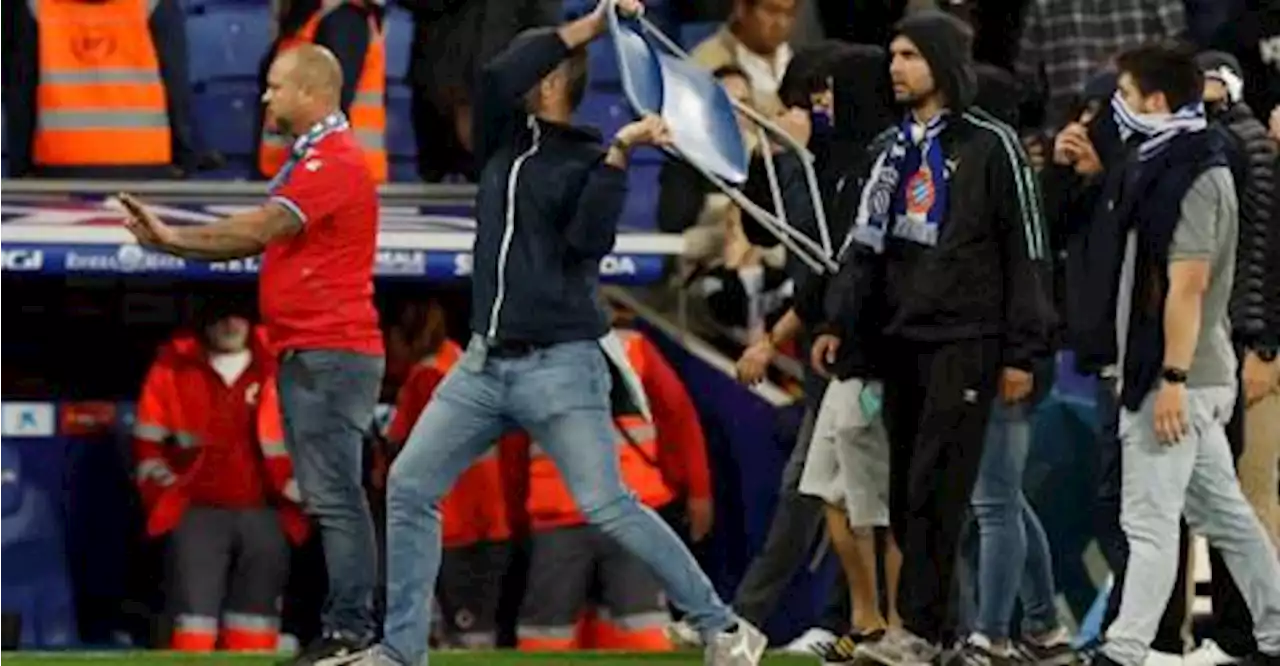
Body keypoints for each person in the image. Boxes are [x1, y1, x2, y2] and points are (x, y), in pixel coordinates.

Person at [349, 1, 766, 665]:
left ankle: (723, 625)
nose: (515, 78)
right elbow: (493, 75)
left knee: (607, 503)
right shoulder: (501, 140)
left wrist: (620, 159)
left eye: (534, 71)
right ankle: (401, 652)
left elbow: (587, 243)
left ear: (548, 86)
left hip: (562, 366)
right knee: (409, 485)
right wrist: (596, 23)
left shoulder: (590, 159)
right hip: (483, 366)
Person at [119, 44, 386, 666]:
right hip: (310, 351)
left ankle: (353, 634)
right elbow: (253, 241)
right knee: (332, 496)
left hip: (332, 352)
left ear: (313, 94)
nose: (265, 97)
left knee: (339, 496)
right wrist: (172, 247)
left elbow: (261, 229)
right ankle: (349, 631)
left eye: (275, 87)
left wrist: (171, 235)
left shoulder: (336, 160)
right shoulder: (311, 159)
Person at [815, 11, 1054, 664]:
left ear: (943, 63)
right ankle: (932, 631)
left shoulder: (992, 144)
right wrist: (841, 324)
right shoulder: (888, 151)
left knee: (938, 489)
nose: (896, 67)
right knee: (903, 495)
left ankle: (922, 632)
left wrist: (1022, 352)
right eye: (892, 54)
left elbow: (1027, 251)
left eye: (911, 55)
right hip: (900, 340)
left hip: (967, 339)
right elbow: (864, 251)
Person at [1084, 42, 1280, 666]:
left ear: (1157, 102)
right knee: (1227, 517)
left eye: (1126, 94)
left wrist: (1169, 377)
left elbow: (1188, 284)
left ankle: (1126, 646)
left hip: (1177, 377)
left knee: (1148, 519)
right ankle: (1277, 632)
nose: (1117, 105)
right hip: (1184, 373)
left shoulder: (1198, 173)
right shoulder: (1165, 159)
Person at [133, 302, 308, 652]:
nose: (230, 323)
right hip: (197, 514)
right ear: (203, 322)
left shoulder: (282, 364)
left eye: (238, 314)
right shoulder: (171, 368)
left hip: (267, 513)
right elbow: (147, 447)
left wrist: (300, 494)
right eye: (220, 315)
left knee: (256, 624)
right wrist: (171, 497)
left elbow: (313, 436)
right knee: (192, 624)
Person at [1187, 49, 1280, 666]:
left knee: (1251, 490)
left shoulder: (1248, 154)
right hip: (1243, 340)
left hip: (1253, 346)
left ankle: (1257, 633)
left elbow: (1260, 262)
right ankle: (1245, 632)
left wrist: (1264, 345)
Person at [258, 0, 387, 182]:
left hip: (335, 176)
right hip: (294, 172)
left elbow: (333, 103)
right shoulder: (305, 21)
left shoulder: (344, 21)